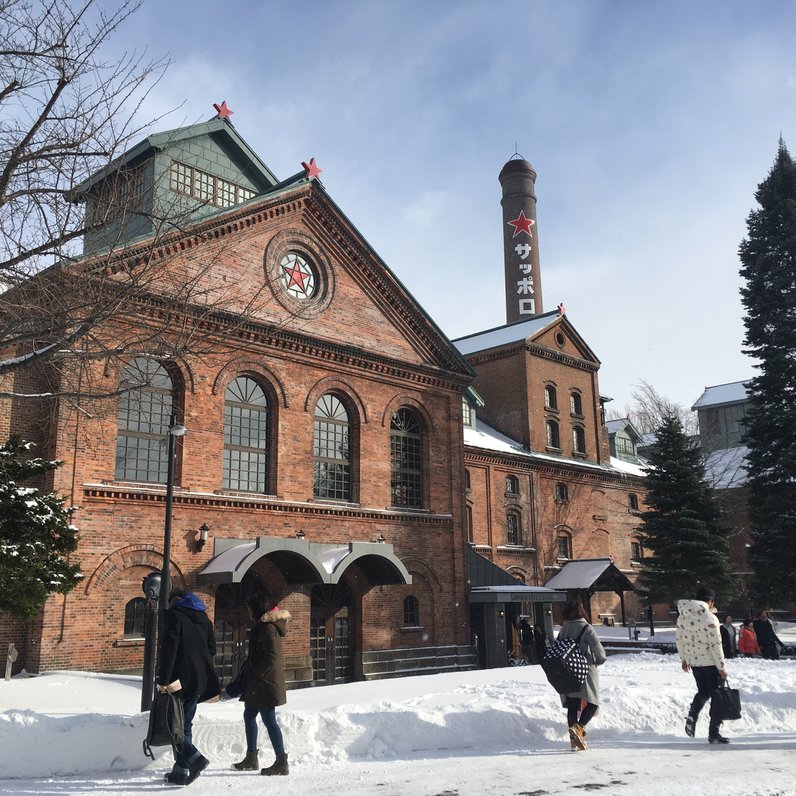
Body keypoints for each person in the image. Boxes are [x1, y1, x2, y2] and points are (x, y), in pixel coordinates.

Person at [157, 589, 220, 785]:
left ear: (174, 600)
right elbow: (212, 649)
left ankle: (195, 759)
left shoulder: (174, 617)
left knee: (172, 725)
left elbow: (170, 650)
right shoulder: (204, 619)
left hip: (178, 680)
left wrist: (163, 680)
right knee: (185, 725)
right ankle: (181, 770)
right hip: (199, 679)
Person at [232, 592, 291, 776]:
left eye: (250, 608)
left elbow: (271, 655)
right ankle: (251, 757)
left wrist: (256, 674)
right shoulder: (262, 626)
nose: (248, 612)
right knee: (250, 715)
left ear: (256, 609)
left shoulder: (267, 628)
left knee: (268, 718)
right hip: (259, 682)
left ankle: (281, 761)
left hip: (265, 682)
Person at [675, 586, 729, 744]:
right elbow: (716, 645)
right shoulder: (710, 618)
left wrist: (684, 658)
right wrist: (721, 667)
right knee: (717, 698)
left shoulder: (682, 617)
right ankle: (714, 733)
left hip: (695, 663)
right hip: (711, 663)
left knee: (703, 692)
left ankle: (692, 715)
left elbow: (679, 639)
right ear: (710, 601)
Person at [558, 600, 607, 751]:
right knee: (593, 703)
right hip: (585, 670)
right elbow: (600, 653)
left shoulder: (563, 629)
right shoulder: (586, 628)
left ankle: (574, 741)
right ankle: (578, 728)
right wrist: (597, 661)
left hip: (567, 671)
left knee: (573, 704)